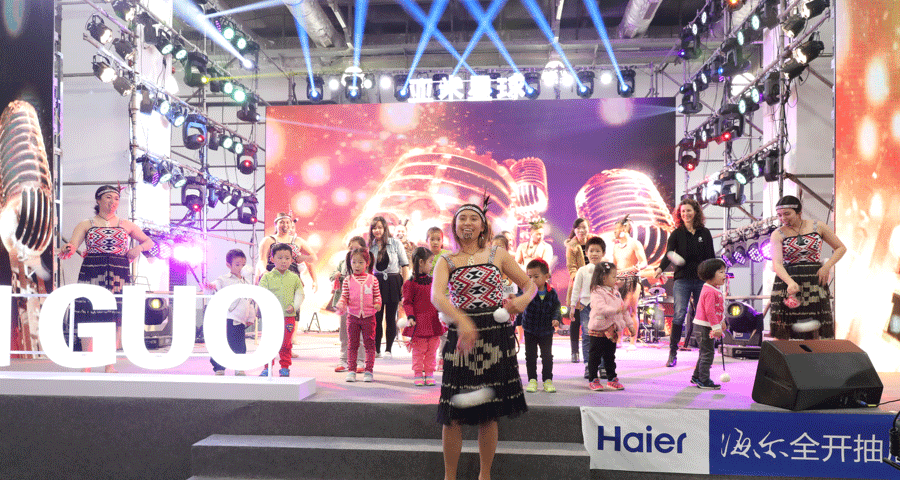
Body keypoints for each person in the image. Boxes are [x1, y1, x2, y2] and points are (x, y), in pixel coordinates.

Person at [432, 199, 536, 480]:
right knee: (452, 414)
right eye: (462, 218)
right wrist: (462, 320)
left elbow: (530, 284)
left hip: (495, 338)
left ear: (483, 227)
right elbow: (437, 296)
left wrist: (523, 300)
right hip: (461, 340)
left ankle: (485, 475)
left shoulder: (497, 254)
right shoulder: (446, 260)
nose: (467, 223)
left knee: (489, 414)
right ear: (455, 226)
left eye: (473, 218)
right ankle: (449, 477)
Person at [60, 185, 154, 373]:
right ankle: (86, 363)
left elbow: (148, 241)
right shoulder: (86, 224)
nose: (113, 202)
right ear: (98, 200)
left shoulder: (126, 224)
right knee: (88, 314)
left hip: (119, 271)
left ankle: (109, 363)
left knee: (115, 316)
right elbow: (73, 244)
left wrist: (138, 248)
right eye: (108, 197)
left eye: (116, 198)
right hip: (92, 269)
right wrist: (68, 249)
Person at [769, 195, 846, 339]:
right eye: (779, 215)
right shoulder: (777, 234)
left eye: (787, 214)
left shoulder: (818, 226)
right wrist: (790, 282)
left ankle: (813, 354)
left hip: (814, 279)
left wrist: (826, 266)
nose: (783, 218)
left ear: (799, 212)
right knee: (783, 329)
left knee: (815, 329)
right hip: (788, 279)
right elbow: (777, 264)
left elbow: (841, 248)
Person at [654, 198, 715, 368]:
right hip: (682, 280)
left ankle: (704, 355)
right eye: (682, 211)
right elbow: (669, 254)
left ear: (695, 212)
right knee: (679, 314)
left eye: (688, 210)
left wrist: (714, 276)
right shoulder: (676, 233)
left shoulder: (705, 233)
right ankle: (672, 353)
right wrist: (660, 269)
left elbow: (711, 256)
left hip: (701, 280)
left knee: (703, 315)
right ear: (679, 214)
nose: (685, 214)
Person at [206, 249, 256, 376]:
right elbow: (215, 285)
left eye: (243, 264)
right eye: (237, 264)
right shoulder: (223, 279)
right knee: (222, 343)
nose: (241, 268)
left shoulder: (247, 283)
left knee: (239, 344)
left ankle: (239, 366)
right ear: (229, 265)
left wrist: (251, 317)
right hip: (227, 317)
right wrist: (210, 286)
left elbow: (249, 301)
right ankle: (219, 367)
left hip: (240, 319)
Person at [258, 243, 304, 377]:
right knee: (269, 343)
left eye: (287, 258)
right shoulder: (267, 277)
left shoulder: (294, 277)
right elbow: (261, 294)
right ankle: (267, 367)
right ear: (272, 259)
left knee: (286, 344)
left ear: (292, 260)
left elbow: (300, 294)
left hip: (288, 317)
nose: (284, 261)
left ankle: (285, 367)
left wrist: (294, 306)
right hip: (272, 317)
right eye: (280, 258)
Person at [336, 248, 382, 382]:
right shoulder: (347, 280)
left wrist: (377, 303)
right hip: (352, 317)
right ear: (350, 263)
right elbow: (344, 296)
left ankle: (369, 370)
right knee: (352, 344)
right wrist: (341, 303)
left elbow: (377, 296)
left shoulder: (373, 280)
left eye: (360, 262)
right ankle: (351, 370)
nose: (357, 265)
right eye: (354, 262)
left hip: (369, 317)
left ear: (367, 263)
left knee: (369, 344)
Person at [369, 215, 410, 358]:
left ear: (385, 228)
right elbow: (368, 267)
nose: (377, 230)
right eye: (374, 228)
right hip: (376, 282)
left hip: (393, 281)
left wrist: (405, 285)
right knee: (377, 318)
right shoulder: (371, 246)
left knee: (391, 317)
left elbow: (405, 265)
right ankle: (376, 350)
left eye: (380, 227)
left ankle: (388, 350)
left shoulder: (395, 243)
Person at [402, 247, 443, 386]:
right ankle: (418, 373)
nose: (432, 265)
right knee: (419, 350)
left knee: (432, 349)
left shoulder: (434, 281)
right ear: (421, 262)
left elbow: (438, 298)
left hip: (433, 321)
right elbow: (407, 302)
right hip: (419, 322)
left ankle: (429, 372)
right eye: (430, 262)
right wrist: (410, 316)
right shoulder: (410, 283)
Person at [587, 262, 629, 391]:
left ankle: (612, 379)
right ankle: (593, 379)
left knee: (610, 356)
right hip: (598, 329)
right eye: (614, 276)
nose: (616, 279)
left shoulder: (615, 292)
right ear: (604, 278)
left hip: (612, 330)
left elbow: (624, 310)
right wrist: (616, 310)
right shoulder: (596, 292)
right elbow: (601, 308)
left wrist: (630, 325)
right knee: (595, 356)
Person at [521, 259, 561, 394]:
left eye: (536, 276)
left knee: (547, 356)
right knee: (530, 356)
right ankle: (532, 380)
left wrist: (556, 318)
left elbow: (557, 307)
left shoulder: (552, 293)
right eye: (529, 277)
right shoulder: (527, 291)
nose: (532, 280)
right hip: (530, 329)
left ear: (546, 276)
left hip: (546, 331)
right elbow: (519, 301)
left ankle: (547, 380)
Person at [569, 236, 607, 379]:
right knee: (586, 336)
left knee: (603, 336)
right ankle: (588, 366)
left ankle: (602, 366)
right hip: (586, 307)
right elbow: (576, 289)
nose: (594, 254)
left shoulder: (606, 270)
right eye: (591, 251)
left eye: (598, 251)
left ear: (603, 253)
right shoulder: (582, 270)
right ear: (586, 253)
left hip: (602, 307)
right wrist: (573, 306)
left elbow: (611, 288)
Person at [331, 236, 367, 373]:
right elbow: (331, 276)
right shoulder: (343, 262)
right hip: (344, 303)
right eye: (351, 248)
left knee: (361, 334)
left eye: (356, 248)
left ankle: (360, 361)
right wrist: (336, 274)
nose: (353, 251)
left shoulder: (366, 264)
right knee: (344, 333)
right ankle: (343, 359)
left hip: (361, 305)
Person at [611, 215, 647, 350]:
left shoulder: (635, 243)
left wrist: (636, 268)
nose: (614, 232)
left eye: (616, 229)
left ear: (624, 229)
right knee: (619, 311)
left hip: (632, 280)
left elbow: (643, 262)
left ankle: (632, 342)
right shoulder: (616, 247)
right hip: (619, 281)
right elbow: (614, 266)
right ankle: (619, 340)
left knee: (631, 310)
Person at [691, 258, 728, 390]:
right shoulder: (709, 291)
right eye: (721, 272)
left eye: (724, 272)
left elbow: (718, 309)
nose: (724, 275)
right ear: (710, 274)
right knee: (708, 354)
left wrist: (722, 321)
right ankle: (704, 380)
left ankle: (697, 376)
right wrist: (716, 327)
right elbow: (710, 311)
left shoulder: (714, 289)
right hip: (704, 326)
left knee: (704, 353)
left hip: (706, 326)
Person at [564, 218, 590, 362]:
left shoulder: (594, 242)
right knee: (576, 320)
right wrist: (581, 280)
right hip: (578, 287)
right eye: (578, 228)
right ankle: (575, 352)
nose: (581, 230)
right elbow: (571, 268)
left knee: (592, 320)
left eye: (584, 227)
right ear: (574, 230)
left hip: (594, 287)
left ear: (588, 228)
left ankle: (591, 351)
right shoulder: (572, 246)